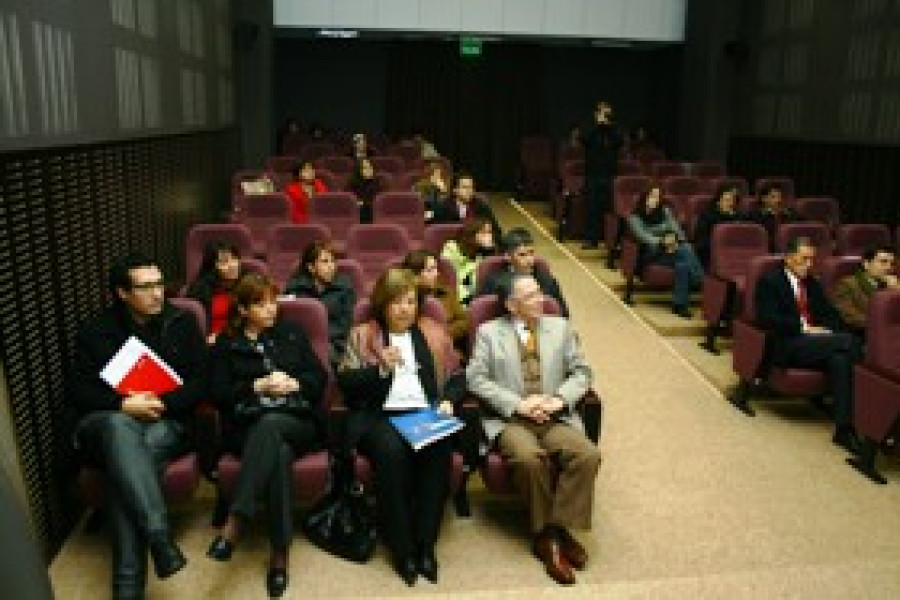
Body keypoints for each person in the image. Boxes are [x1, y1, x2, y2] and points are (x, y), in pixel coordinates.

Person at [70, 254, 207, 600]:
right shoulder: (96, 331)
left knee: (126, 466)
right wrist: (122, 404)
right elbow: (80, 391)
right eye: (146, 287)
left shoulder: (182, 322)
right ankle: (160, 539)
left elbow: (201, 380)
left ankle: (128, 586)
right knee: (120, 428)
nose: (158, 293)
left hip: (165, 420)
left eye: (160, 284)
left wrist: (164, 403)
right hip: (107, 420)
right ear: (122, 292)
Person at [466, 274, 600, 586]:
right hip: (511, 419)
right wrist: (517, 404)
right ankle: (547, 536)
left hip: (553, 416)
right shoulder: (489, 333)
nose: (540, 300)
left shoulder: (560, 328)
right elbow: (476, 379)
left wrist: (558, 400)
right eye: (530, 297)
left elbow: (582, 372)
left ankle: (557, 529)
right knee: (529, 459)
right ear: (512, 305)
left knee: (588, 455)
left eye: (539, 293)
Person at [337, 268, 464, 586]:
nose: (405, 309)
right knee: (391, 453)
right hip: (379, 416)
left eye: (410, 301)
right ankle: (403, 549)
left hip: (424, 412)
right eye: (397, 302)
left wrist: (449, 400)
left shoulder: (433, 332)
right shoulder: (363, 335)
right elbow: (347, 383)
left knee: (439, 447)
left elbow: (457, 375)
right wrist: (380, 370)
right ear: (383, 304)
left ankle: (426, 546)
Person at [206, 273, 326, 599]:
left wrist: (294, 383)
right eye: (261, 304)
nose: (271, 309)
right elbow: (217, 393)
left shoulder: (291, 333)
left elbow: (318, 377)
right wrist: (256, 386)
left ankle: (236, 522)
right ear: (243, 309)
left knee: (273, 426)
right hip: (247, 425)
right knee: (279, 453)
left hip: (297, 420)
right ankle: (279, 554)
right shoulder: (226, 344)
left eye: (273, 302)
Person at [754, 237, 863, 452]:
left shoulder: (812, 283)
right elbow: (767, 319)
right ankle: (875, 416)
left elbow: (830, 313)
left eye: (812, 260)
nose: (809, 264)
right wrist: (804, 328)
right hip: (788, 343)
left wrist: (829, 331)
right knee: (852, 343)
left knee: (841, 360)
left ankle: (844, 429)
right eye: (804, 259)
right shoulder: (770, 282)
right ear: (788, 259)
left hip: (817, 344)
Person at [627, 185, 703, 318]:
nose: (655, 199)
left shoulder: (665, 211)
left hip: (672, 250)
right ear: (644, 197)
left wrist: (675, 241)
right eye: (652, 196)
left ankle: (679, 305)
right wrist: (664, 241)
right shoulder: (635, 217)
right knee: (686, 250)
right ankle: (699, 280)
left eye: (658, 197)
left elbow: (677, 230)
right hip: (651, 253)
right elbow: (644, 237)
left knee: (683, 265)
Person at [284, 241, 356, 367]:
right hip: (301, 343)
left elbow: (346, 324)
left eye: (333, 261)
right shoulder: (295, 288)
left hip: (335, 343)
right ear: (311, 267)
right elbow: (288, 323)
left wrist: (321, 336)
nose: (331, 266)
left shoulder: (344, 287)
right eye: (325, 262)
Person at [476, 227, 570, 317]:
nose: (529, 260)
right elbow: (480, 312)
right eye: (522, 255)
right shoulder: (493, 282)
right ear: (507, 256)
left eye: (531, 252)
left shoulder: (547, 281)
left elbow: (562, 314)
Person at [402, 249, 469, 348]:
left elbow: (464, 321)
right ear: (415, 275)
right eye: (430, 270)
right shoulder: (405, 300)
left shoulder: (445, 292)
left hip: (449, 346)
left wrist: (443, 333)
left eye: (436, 269)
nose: (437, 274)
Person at [581, 101, 622, 250]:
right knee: (592, 208)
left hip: (610, 175)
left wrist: (608, 126)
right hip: (593, 175)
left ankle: (609, 239)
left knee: (609, 209)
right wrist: (597, 125)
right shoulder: (590, 128)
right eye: (602, 112)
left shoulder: (614, 128)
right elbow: (585, 140)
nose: (604, 115)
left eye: (607, 113)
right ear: (596, 113)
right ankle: (591, 239)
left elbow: (619, 141)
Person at [832, 245, 899, 337]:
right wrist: (882, 324)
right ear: (866, 264)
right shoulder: (848, 284)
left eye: (892, 264)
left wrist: (896, 291)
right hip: (863, 335)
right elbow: (849, 316)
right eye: (883, 262)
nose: (888, 267)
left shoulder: (894, 285)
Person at [185, 241, 244, 344]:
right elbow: (192, 325)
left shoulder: (246, 283)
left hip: (240, 339)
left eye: (234, 259)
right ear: (212, 266)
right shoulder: (200, 289)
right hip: (211, 343)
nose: (232, 265)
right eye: (224, 262)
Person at [431, 171, 502, 243]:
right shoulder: (443, 207)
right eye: (465, 187)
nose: (469, 191)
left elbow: (496, 231)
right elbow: (434, 232)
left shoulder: (481, 206)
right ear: (455, 190)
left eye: (471, 187)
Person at [441, 217, 497, 305]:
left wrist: (489, 251)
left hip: (477, 291)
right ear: (472, 233)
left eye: (489, 232)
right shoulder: (452, 247)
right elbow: (447, 272)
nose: (488, 236)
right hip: (458, 290)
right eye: (483, 232)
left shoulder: (486, 252)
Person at [694, 182, 748, 270]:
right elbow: (701, 243)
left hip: (738, 256)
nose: (730, 203)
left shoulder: (741, 217)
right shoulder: (707, 216)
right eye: (727, 199)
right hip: (712, 256)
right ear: (718, 199)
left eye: (733, 200)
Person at [748, 182, 801, 247]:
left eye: (780, 197)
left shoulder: (792, 214)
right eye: (773, 197)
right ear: (764, 199)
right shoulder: (754, 217)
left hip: (790, 247)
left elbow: (801, 232)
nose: (778, 200)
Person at [347, 157, 383, 223]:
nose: (368, 170)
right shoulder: (351, 183)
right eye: (364, 168)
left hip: (372, 211)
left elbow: (380, 201)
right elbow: (348, 201)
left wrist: (367, 203)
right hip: (356, 210)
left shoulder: (377, 183)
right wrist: (360, 203)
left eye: (369, 168)